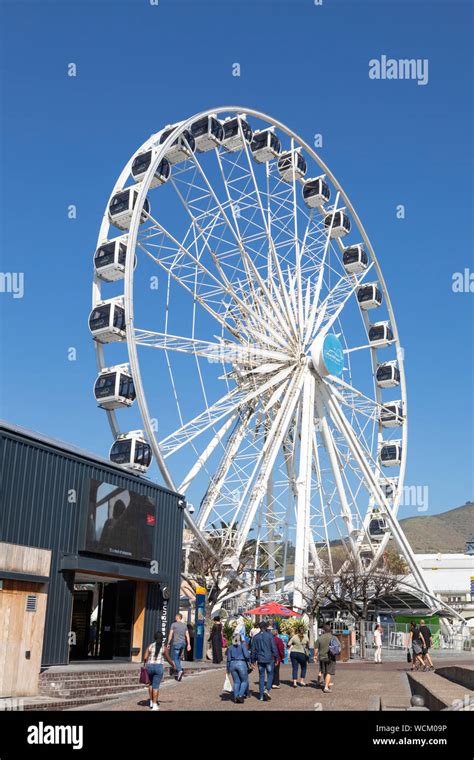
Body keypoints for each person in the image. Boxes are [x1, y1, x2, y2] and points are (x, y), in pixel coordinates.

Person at [144, 630, 174, 710]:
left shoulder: (150, 646)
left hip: (149, 667)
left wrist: (146, 663)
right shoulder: (164, 648)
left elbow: (145, 657)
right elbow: (168, 658)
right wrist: (173, 665)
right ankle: (154, 704)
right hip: (158, 667)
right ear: (162, 638)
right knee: (156, 686)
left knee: (150, 685)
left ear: (154, 638)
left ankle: (150, 701)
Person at [251, 621, 278, 701]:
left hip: (260, 659)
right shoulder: (270, 636)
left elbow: (253, 650)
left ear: (259, 627)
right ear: (266, 627)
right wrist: (276, 657)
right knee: (270, 675)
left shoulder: (255, 637)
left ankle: (261, 696)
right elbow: (274, 648)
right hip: (269, 658)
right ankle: (267, 690)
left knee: (261, 676)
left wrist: (253, 661)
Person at [226, 633, 251, 703]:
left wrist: (227, 668)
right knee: (244, 681)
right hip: (241, 664)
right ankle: (240, 695)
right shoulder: (242, 646)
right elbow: (246, 656)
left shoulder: (230, 647)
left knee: (236, 682)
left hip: (232, 664)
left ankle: (235, 697)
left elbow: (228, 659)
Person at [167, 613, 191, 681]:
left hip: (177, 643)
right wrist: (189, 644)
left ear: (178, 617)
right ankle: (178, 672)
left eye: (175, 616)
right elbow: (187, 635)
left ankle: (179, 670)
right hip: (183, 644)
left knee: (175, 658)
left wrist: (168, 643)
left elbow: (170, 634)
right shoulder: (184, 625)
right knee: (178, 658)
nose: (175, 617)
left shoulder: (173, 624)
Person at [315, 623, 336, 693]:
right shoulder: (333, 637)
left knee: (324, 672)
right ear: (330, 630)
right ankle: (326, 687)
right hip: (330, 657)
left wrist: (315, 656)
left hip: (321, 657)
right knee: (329, 672)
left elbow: (316, 648)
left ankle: (325, 684)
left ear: (323, 630)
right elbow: (338, 646)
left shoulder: (320, 638)